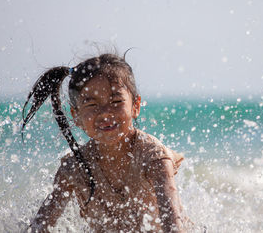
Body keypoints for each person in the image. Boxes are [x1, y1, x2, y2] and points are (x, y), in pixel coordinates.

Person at [22, 52, 186, 232]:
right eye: (92, 105)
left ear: (136, 106)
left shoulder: (153, 158)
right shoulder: (74, 168)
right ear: (76, 115)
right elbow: (38, 228)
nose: (105, 112)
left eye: (116, 101)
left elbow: (174, 226)